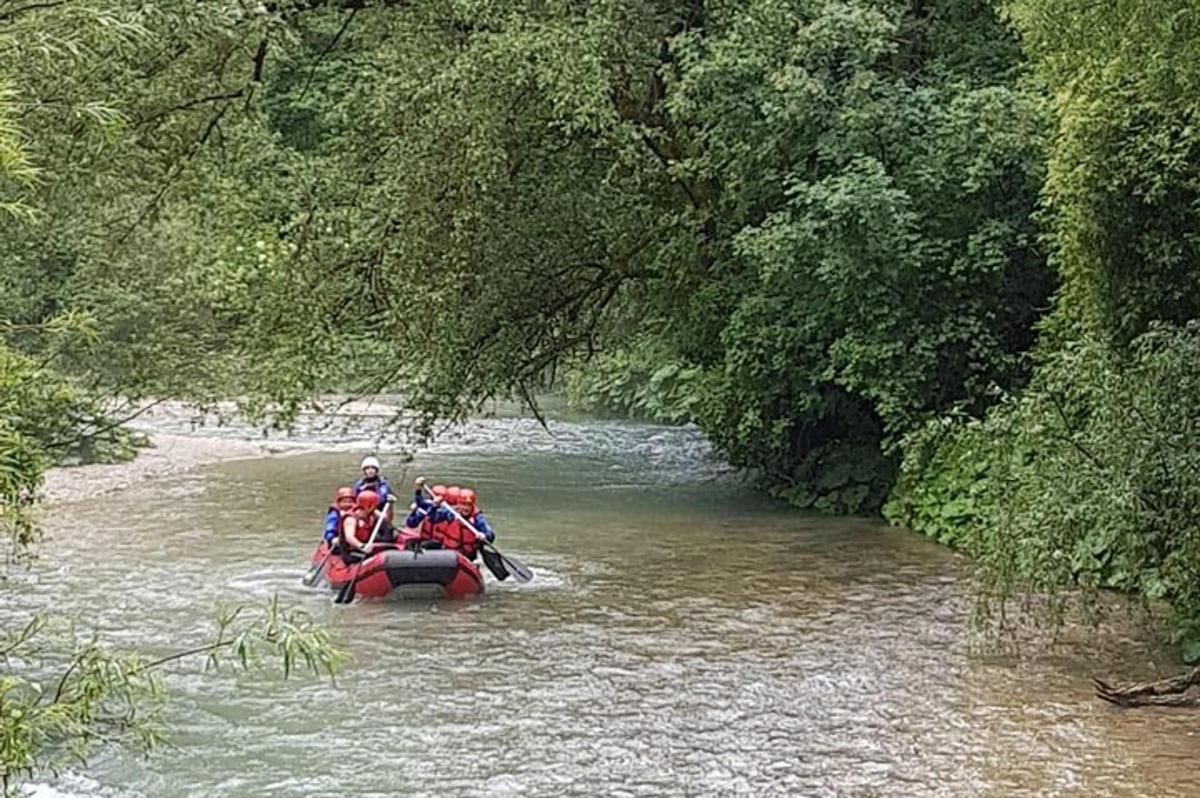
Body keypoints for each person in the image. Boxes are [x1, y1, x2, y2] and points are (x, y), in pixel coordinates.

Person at [340, 489, 397, 560]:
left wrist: (390, 506)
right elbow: (350, 537)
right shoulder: (350, 519)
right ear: (369, 506)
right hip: (352, 552)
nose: (376, 507)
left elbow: (387, 519)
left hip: (366, 547)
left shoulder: (372, 512)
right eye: (375, 505)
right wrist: (362, 546)